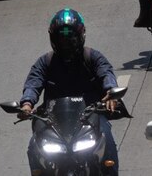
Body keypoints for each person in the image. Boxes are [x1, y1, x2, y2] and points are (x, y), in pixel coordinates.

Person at [18, 9, 119, 175]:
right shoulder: (45, 62)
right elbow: (33, 82)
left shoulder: (92, 57)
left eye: (71, 38)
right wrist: (27, 103)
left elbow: (106, 73)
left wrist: (111, 92)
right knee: (33, 145)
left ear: (80, 36)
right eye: (61, 38)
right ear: (53, 39)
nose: (66, 43)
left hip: (90, 117)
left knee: (106, 136)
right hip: (53, 121)